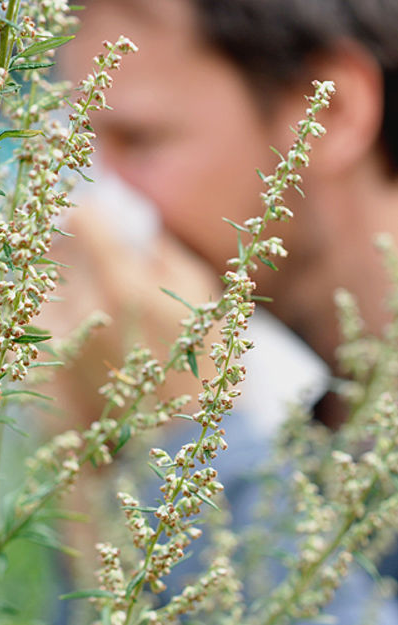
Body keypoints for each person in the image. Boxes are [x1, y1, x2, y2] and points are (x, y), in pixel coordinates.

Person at [42, 0, 398, 622]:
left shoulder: (247, 446)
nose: (89, 211)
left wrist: (188, 447)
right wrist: (105, 490)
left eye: (138, 140)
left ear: (331, 112)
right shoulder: (313, 432)